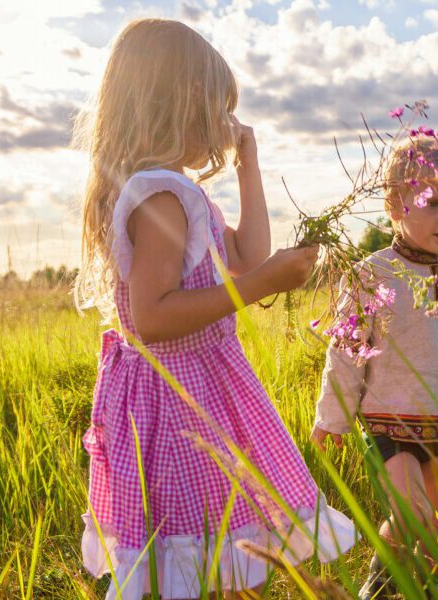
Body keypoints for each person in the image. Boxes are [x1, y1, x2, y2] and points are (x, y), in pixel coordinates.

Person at [72, 18, 356, 599]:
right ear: (174, 102)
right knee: (203, 536)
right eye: (219, 107)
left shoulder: (179, 190)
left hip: (198, 387)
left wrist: (249, 163)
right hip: (178, 398)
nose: (227, 124)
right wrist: (260, 285)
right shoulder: (159, 196)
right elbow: (151, 318)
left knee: (217, 539)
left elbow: (249, 255)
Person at [310, 134, 438, 598]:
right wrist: (332, 418)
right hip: (386, 422)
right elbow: (346, 352)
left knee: (437, 524)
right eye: (432, 202)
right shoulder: (369, 273)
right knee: (410, 512)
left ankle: (422, 589)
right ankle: (374, 589)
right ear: (395, 205)